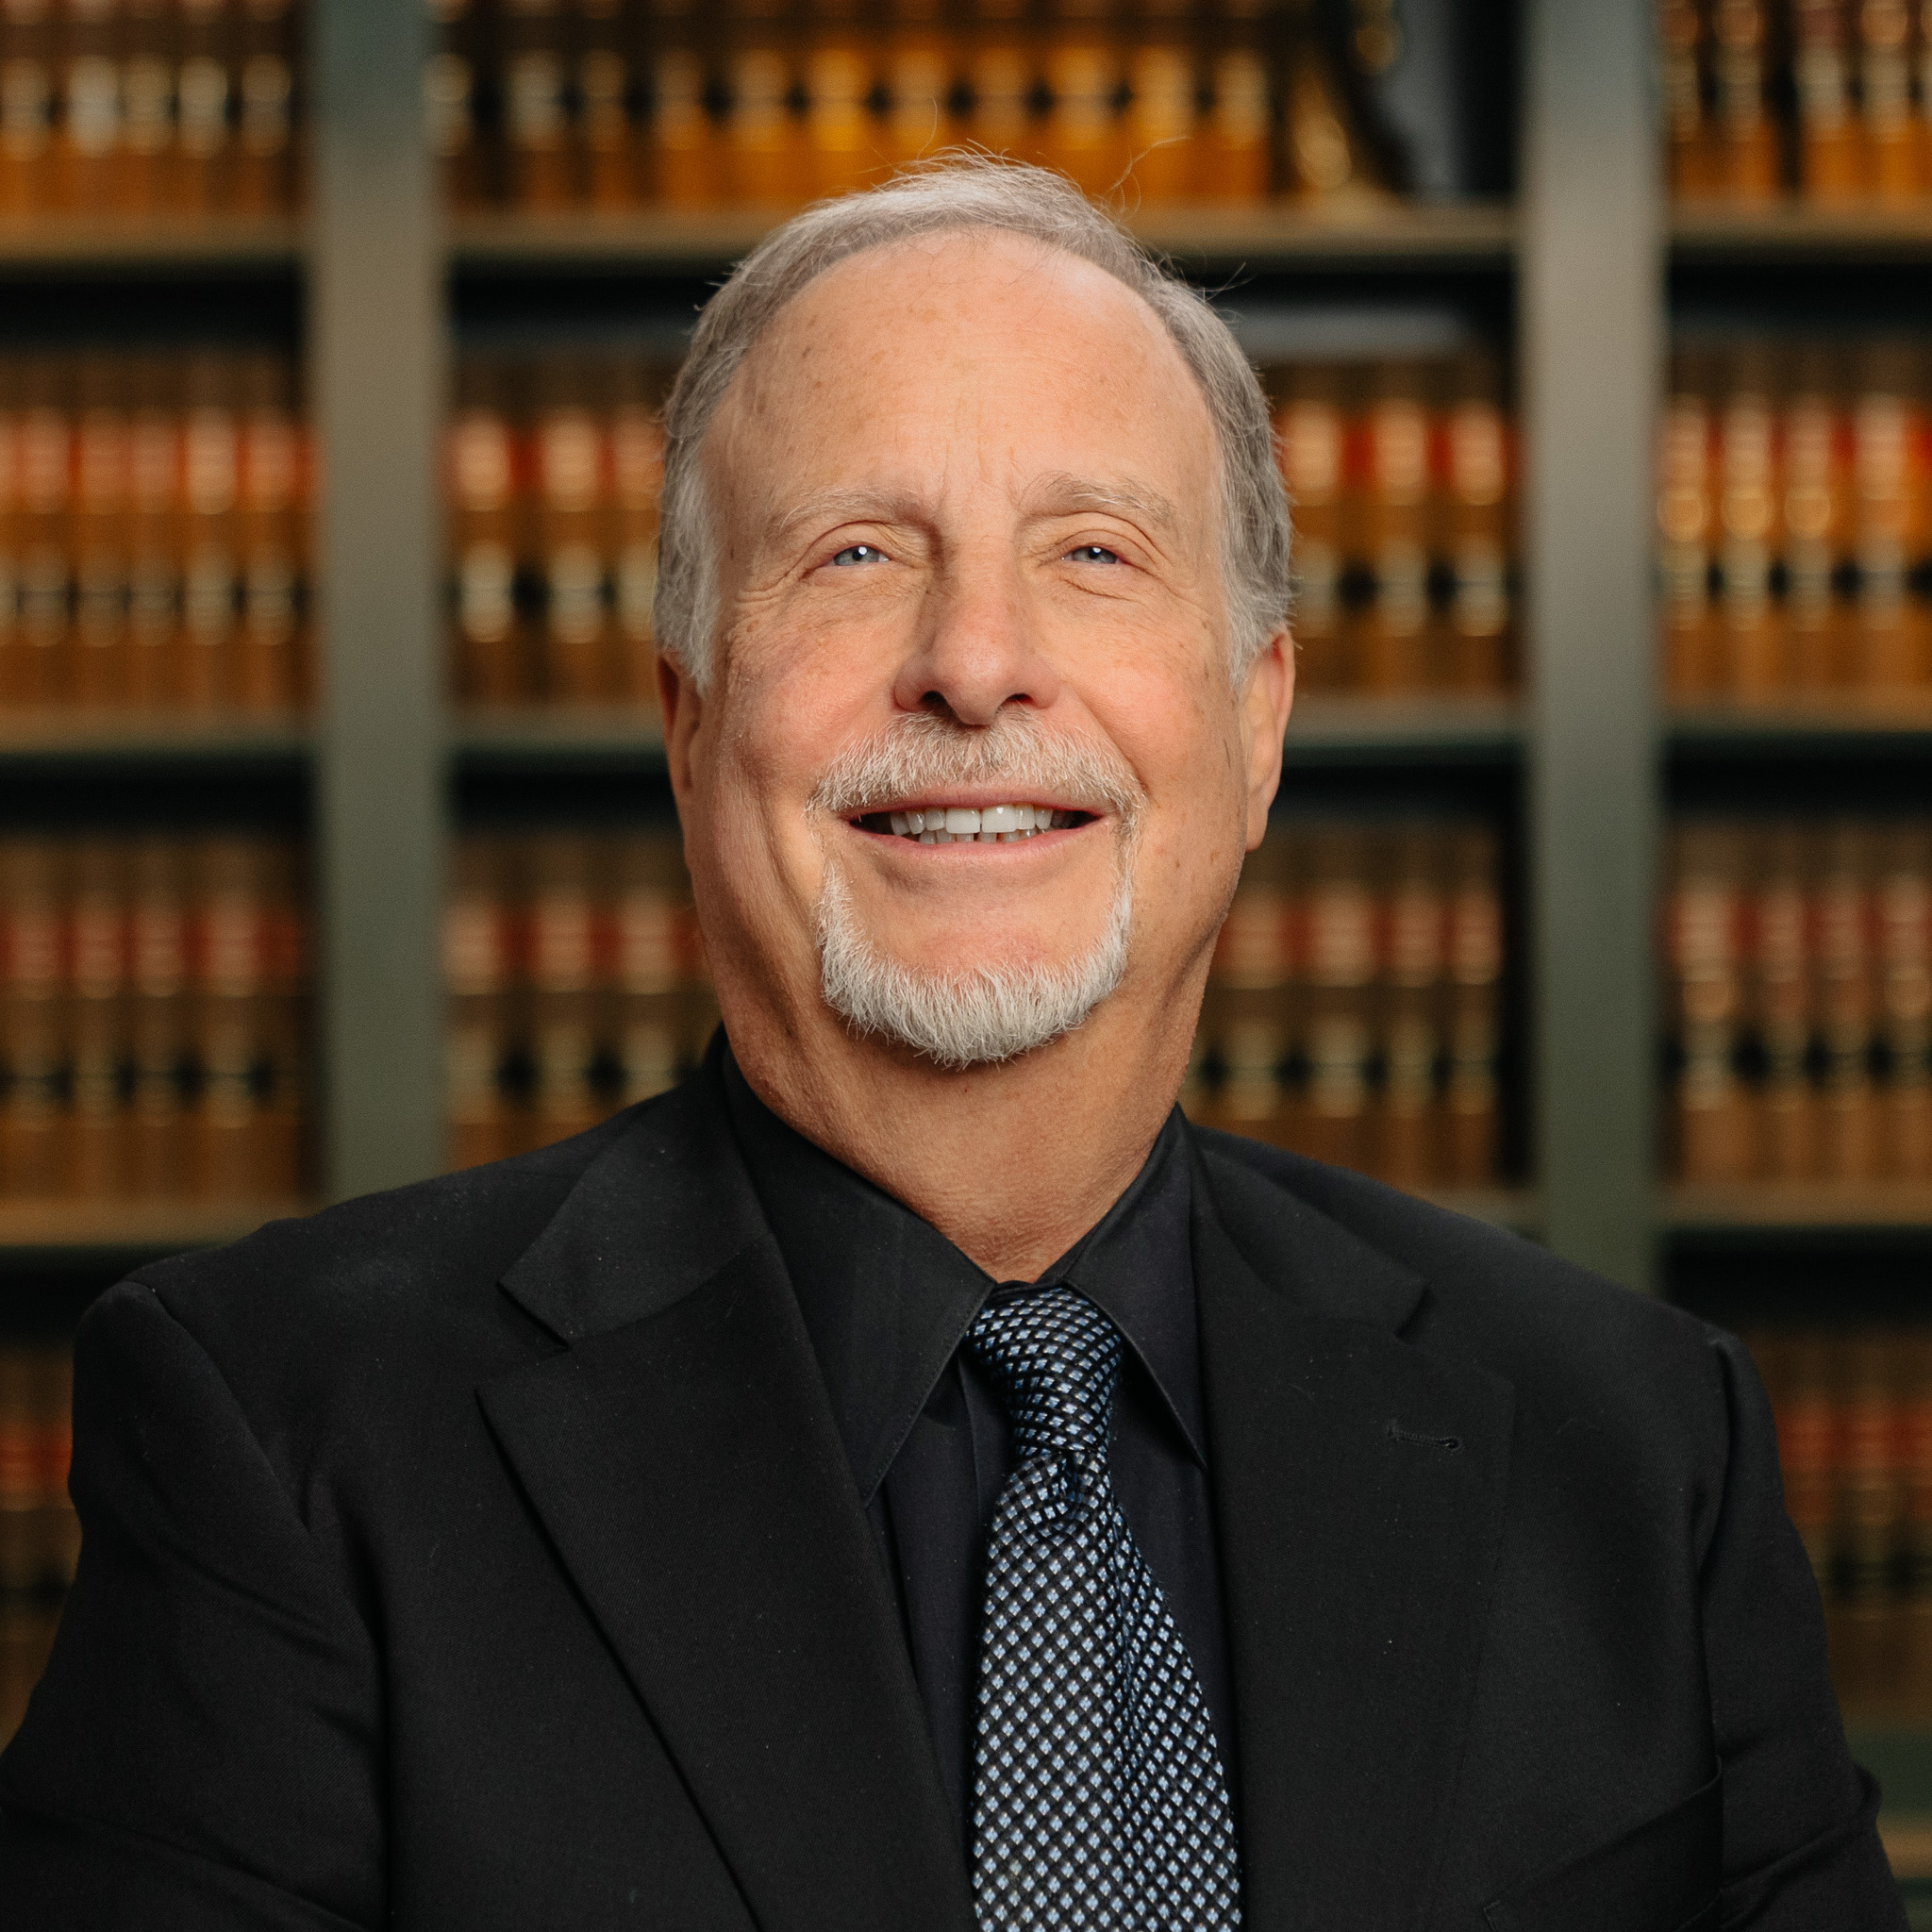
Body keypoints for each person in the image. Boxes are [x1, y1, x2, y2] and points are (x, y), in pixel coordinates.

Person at [0, 158, 1901, 1931]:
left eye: (1090, 551)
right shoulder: (278, 1437)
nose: (974, 661)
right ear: (685, 724)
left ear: (1254, 733)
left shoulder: (1641, 1449)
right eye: (850, 554)